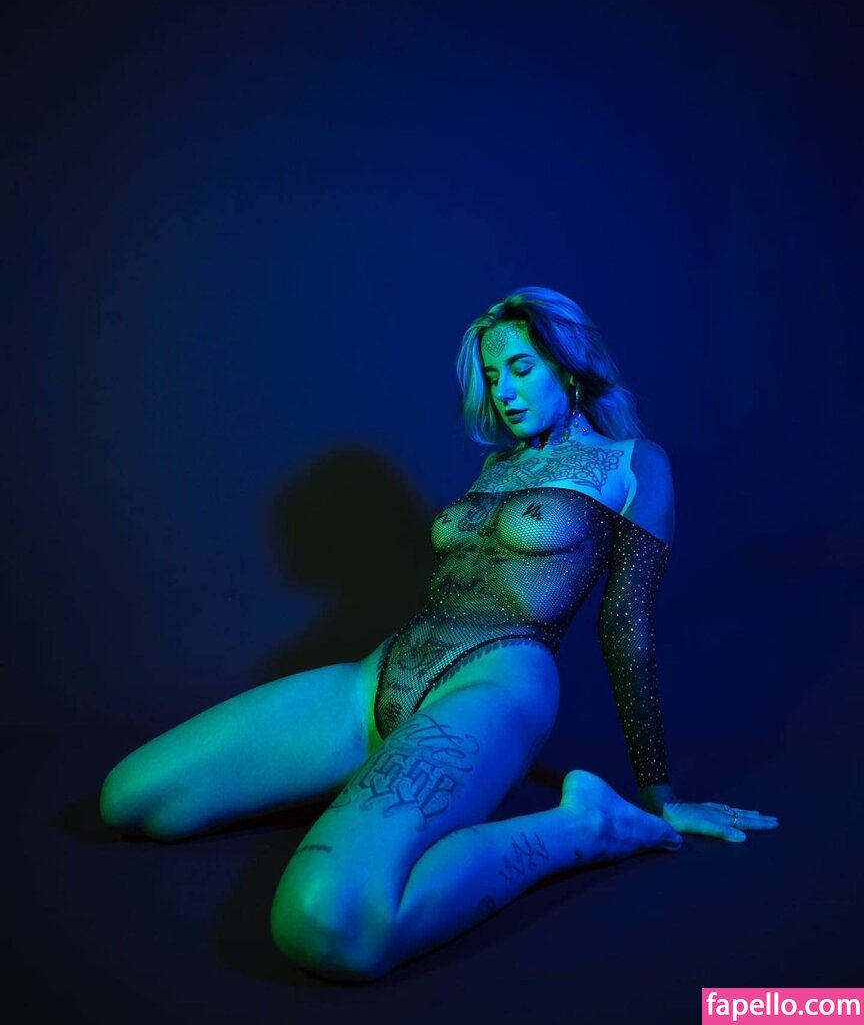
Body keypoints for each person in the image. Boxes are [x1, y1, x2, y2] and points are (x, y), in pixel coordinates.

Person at [99, 286, 779, 982]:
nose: (503, 391)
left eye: (521, 368)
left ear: (569, 365)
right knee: (133, 799)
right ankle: (373, 780)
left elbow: (625, 626)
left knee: (330, 924)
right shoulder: (498, 467)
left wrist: (661, 793)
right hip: (383, 675)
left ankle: (586, 825)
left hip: (498, 681)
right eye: (492, 374)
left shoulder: (633, 465)